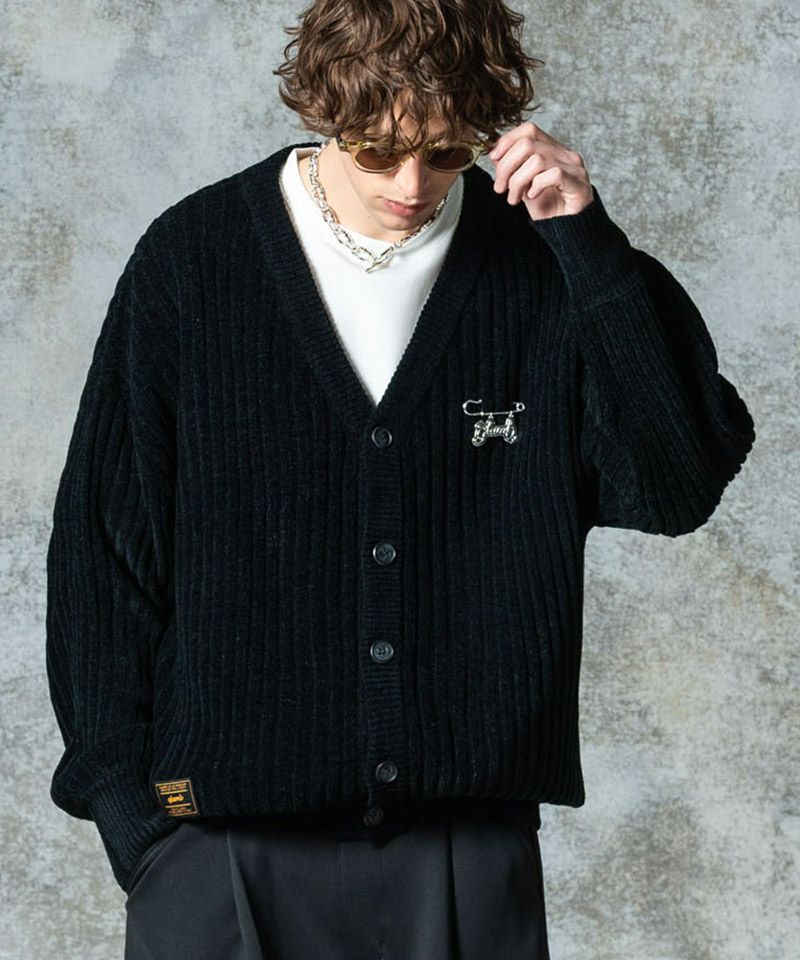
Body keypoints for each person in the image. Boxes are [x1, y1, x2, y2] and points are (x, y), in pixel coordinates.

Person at [44, 1, 756, 957]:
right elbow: (100, 558)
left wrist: (587, 243)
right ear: (324, 111)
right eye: (377, 151)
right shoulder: (192, 263)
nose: (412, 185)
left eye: (447, 153)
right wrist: (138, 829)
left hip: (466, 854)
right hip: (216, 851)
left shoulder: (542, 267)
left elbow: (677, 486)